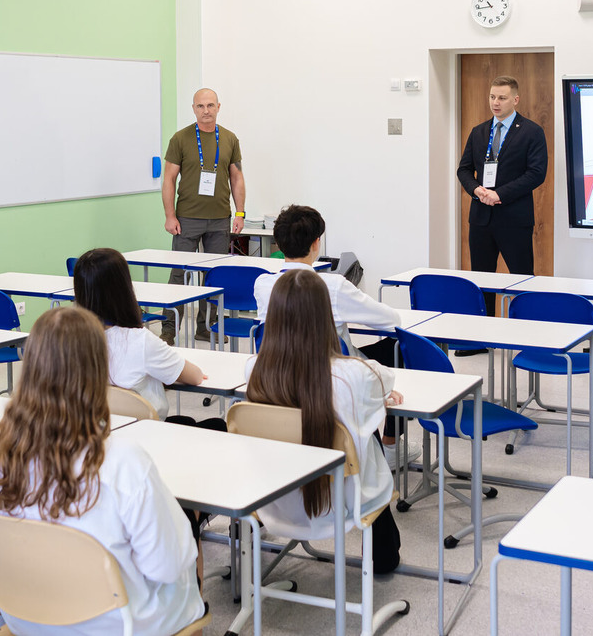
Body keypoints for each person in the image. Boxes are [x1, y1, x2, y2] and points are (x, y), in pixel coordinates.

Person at [0, 306, 205, 636]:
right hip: (120, 626)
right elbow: (168, 565)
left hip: (27, 620)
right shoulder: (123, 462)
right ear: (97, 372)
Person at [245, 269, 403, 574]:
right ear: (325, 317)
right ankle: (382, 555)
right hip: (342, 504)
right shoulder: (355, 374)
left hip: (273, 499)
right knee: (365, 436)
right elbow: (385, 379)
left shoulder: (253, 370)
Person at [252, 204, 417, 470]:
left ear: (279, 244)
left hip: (278, 369)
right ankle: (390, 444)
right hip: (329, 373)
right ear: (317, 243)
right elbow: (390, 319)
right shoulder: (332, 287)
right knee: (397, 345)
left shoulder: (262, 284)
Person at [72, 248, 224, 429]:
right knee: (218, 425)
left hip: (100, 431)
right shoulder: (139, 341)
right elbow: (195, 377)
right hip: (147, 432)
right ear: (123, 288)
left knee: (186, 421)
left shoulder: (69, 339)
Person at [160, 87, 246, 345]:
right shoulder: (180, 138)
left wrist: (240, 212)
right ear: (194, 108)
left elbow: (237, 177)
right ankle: (168, 331)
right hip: (186, 219)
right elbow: (169, 179)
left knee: (214, 276)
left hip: (220, 219)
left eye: (210, 105)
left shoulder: (229, 138)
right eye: (200, 106)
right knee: (179, 275)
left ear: (219, 107)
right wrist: (169, 216)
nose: (206, 111)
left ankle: (206, 327)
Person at [455, 75, 548, 282]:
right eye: (492, 97)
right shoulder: (478, 132)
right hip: (481, 218)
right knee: (482, 281)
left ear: (515, 100)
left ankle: (523, 316)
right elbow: (464, 170)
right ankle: (483, 316)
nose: (495, 103)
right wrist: (476, 190)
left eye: (502, 98)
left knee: (522, 280)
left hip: (514, 219)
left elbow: (536, 174)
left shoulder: (531, 132)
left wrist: (500, 194)